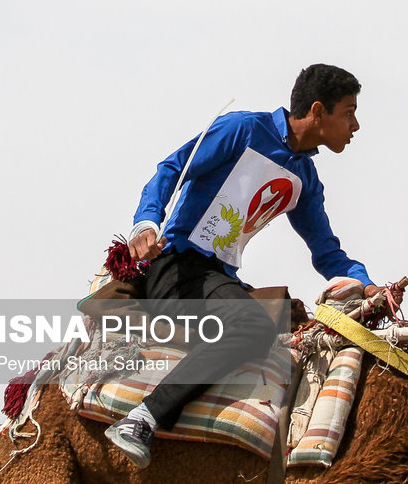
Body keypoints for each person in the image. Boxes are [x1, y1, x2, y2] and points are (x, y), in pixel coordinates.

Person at [105, 64, 393, 468]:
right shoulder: (242, 129)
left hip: (218, 280)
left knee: (290, 328)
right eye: (348, 112)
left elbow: (328, 253)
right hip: (176, 267)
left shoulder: (304, 178)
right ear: (317, 111)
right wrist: (147, 223)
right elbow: (172, 167)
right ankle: (142, 418)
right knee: (256, 325)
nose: (356, 125)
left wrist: (366, 287)